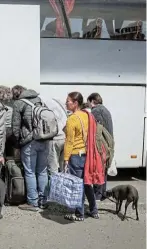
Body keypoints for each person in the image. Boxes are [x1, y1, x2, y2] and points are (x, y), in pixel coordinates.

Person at [64, 92, 103, 221]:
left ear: (75, 103)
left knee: (77, 185)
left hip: (76, 155)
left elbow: (69, 141)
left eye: (68, 101)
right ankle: (94, 210)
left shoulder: (72, 119)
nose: (66, 103)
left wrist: (65, 159)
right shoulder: (88, 115)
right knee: (87, 184)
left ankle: (79, 213)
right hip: (88, 154)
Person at [11, 85, 49, 211]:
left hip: (29, 142)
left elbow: (15, 127)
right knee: (42, 171)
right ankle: (44, 200)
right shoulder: (40, 100)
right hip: (44, 140)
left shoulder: (19, 103)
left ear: (17, 94)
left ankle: (33, 202)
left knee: (30, 172)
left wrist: (17, 144)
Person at [87, 93, 114, 200]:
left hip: (101, 144)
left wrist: (96, 147)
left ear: (92, 100)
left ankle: (97, 195)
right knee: (104, 169)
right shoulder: (105, 110)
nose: (88, 104)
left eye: (88, 102)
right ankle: (102, 193)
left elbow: (97, 131)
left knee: (98, 168)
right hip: (108, 143)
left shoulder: (96, 111)